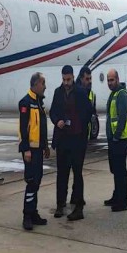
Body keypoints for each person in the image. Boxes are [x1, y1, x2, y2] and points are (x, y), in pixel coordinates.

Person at [49, 65, 93, 221]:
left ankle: (78, 207)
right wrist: (57, 121)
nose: (66, 83)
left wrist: (79, 125)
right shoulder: (58, 92)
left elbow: (89, 111)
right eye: (64, 80)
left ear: (73, 77)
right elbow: (52, 111)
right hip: (62, 139)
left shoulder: (80, 93)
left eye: (68, 79)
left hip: (76, 140)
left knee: (77, 174)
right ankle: (60, 204)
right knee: (62, 174)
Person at [19, 72, 51, 231]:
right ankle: (27, 215)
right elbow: (23, 128)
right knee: (31, 182)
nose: (45, 87)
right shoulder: (26, 103)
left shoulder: (39, 102)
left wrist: (45, 146)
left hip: (38, 150)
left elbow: (42, 128)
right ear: (36, 84)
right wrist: (26, 149)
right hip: (30, 151)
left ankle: (33, 212)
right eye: (43, 83)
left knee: (37, 181)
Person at [105, 69, 127, 212]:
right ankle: (117, 196)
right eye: (108, 80)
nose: (110, 83)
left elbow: (122, 118)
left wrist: (116, 136)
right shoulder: (113, 94)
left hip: (119, 139)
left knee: (120, 171)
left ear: (117, 79)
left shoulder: (121, 95)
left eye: (112, 80)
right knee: (115, 170)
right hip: (113, 139)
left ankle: (122, 201)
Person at [76, 66, 97, 141]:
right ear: (81, 79)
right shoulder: (75, 93)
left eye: (90, 78)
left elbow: (92, 113)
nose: (90, 81)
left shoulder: (91, 94)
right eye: (87, 79)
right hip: (76, 134)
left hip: (85, 135)